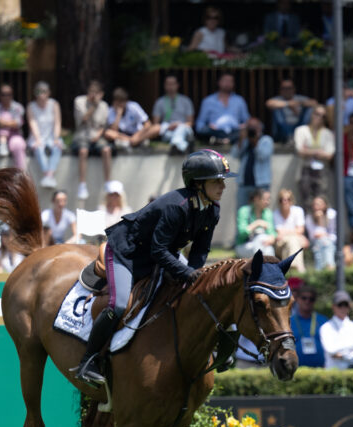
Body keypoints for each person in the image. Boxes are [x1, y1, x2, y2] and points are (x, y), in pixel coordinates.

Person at [72, 149, 236, 384]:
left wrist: (197, 275)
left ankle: (211, 348)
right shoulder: (176, 206)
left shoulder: (213, 209)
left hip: (160, 254)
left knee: (198, 292)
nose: (223, 187)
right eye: (217, 181)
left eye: (223, 181)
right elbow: (158, 251)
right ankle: (88, 360)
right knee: (118, 305)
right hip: (126, 253)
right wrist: (188, 274)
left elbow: (200, 250)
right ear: (198, 184)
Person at [72, 80, 111, 201]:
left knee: (106, 150)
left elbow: (103, 126)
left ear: (101, 94)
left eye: (96, 92)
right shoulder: (79, 101)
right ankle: (82, 184)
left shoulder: (104, 105)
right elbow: (83, 119)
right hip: (82, 134)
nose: (93, 95)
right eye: (91, 92)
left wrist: (98, 136)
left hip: (97, 135)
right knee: (83, 151)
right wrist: (94, 106)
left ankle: (108, 183)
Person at [293, 105, 334, 209]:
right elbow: (299, 150)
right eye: (317, 114)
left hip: (322, 171)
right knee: (306, 201)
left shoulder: (328, 133)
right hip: (305, 169)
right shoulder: (301, 130)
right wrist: (318, 151)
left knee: (321, 200)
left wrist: (308, 151)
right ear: (311, 114)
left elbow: (329, 155)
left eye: (322, 116)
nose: (319, 117)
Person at [320, 291, 353, 369]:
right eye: (340, 305)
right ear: (333, 306)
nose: (343, 308)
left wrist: (344, 356)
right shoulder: (326, 328)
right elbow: (330, 349)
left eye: (346, 305)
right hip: (333, 373)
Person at [26, 81, 63, 189]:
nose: (41, 94)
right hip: (37, 136)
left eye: (44, 91)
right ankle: (47, 174)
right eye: (39, 91)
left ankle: (50, 174)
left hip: (51, 136)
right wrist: (37, 139)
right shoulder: (31, 106)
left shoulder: (54, 104)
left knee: (58, 146)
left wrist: (56, 138)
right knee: (39, 147)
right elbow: (32, 123)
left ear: (48, 93)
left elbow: (57, 122)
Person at [195, 73, 250, 144]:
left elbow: (247, 120)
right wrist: (209, 126)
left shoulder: (239, 100)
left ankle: (222, 141)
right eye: (225, 81)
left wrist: (243, 125)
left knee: (246, 131)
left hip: (235, 130)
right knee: (204, 131)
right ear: (219, 82)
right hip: (215, 131)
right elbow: (200, 124)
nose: (228, 83)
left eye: (230, 81)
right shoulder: (208, 101)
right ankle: (227, 140)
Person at [150, 74, 195, 155]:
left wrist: (178, 125)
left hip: (184, 129)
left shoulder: (186, 101)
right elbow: (156, 124)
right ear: (164, 85)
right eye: (168, 84)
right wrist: (169, 126)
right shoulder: (159, 102)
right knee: (174, 135)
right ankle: (181, 145)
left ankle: (176, 144)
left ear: (177, 85)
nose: (170, 86)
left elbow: (190, 123)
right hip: (168, 130)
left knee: (181, 128)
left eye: (172, 84)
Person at [233, 118, 273, 207]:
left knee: (261, 212)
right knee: (242, 212)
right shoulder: (245, 141)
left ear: (260, 128)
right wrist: (241, 139)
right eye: (249, 127)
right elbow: (235, 154)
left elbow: (262, 155)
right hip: (244, 184)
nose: (251, 130)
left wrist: (255, 141)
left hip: (261, 184)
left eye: (254, 127)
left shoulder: (266, 140)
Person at [0, 84, 28, 171]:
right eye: (3, 94)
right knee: (4, 125)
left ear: (12, 95)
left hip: (14, 135)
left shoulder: (18, 107)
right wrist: (10, 123)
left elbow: (18, 123)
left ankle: (21, 172)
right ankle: (2, 143)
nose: (6, 96)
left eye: (9, 94)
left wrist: (3, 122)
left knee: (19, 144)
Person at [266, 79, 315, 143]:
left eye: (289, 88)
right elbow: (269, 103)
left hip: (299, 125)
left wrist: (297, 105)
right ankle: (289, 137)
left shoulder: (299, 98)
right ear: (280, 90)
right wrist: (288, 104)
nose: (287, 90)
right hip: (282, 130)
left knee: (309, 109)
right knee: (276, 110)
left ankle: (297, 136)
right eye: (284, 88)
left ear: (294, 89)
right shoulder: (278, 99)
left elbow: (314, 103)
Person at [290, 284, 328, 368]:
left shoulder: (324, 321)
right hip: (296, 369)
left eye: (311, 299)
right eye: (304, 298)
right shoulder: (289, 322)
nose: (307, 301)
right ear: (297, 299)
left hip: (321, 369)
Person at [273, 189, 308, 272]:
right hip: (281, 242)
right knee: (293, 241)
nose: (285, 202)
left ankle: (289, 268)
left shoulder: (298, 211)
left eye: (288, 199)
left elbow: (300, 230)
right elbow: (279, 233)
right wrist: (296, 233)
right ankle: (299, 269)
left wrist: (287, 232)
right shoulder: (275, 214)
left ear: (292, 201)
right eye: (282, 200)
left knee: (292, 241)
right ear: (279, 202)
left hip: (293, 239)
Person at [235, 188, 276, 258]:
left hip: (263, 245)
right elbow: (242, 233)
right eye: (265, 199)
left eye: (269, 199)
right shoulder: (244, 211)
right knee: (261, 238)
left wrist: (272, 239)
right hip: (244, 246)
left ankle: (264, 265)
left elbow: (272, 232)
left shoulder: (268, 213)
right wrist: (257, 223)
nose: (267, 202)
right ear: (256, 199)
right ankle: (263, 265)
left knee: (269, 249)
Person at [307, 195, 337, 270]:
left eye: (319, 204)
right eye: (315, 204)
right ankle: (330, 266)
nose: (317, 206)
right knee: (321, 243)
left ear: (325, 205)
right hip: (316, 242)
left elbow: (333, 235)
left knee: (325, 243)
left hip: (330, 242)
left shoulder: (332, 214)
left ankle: (320, 269)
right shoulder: (309, 218)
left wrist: (322, 220)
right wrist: (319, 219)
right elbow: (313, 236)